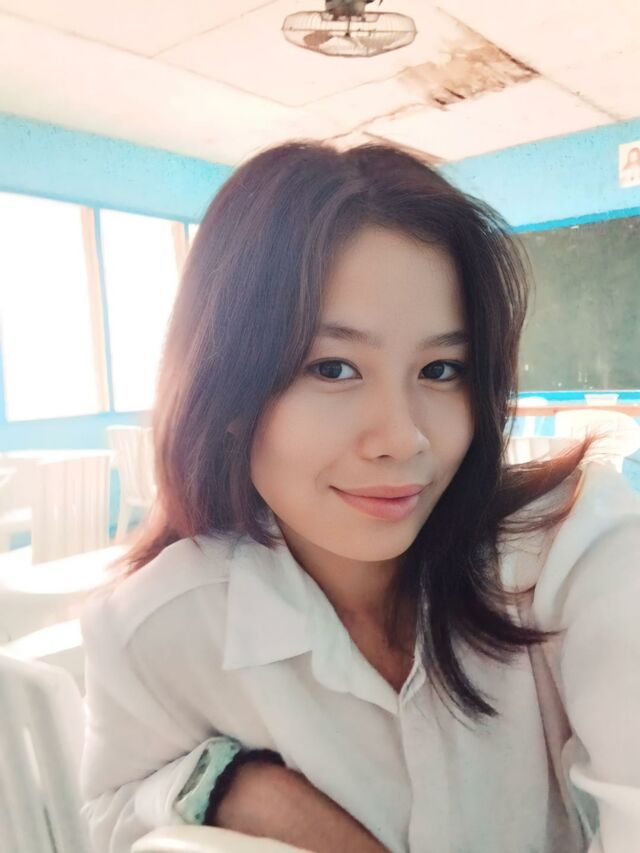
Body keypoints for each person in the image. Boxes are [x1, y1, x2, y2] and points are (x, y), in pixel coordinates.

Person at [80, 141, 640, 853]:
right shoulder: (155, 629)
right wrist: (228, 785)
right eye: (333, 368)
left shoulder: (574, 549)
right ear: (226, 389)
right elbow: (105, 815)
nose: (403, 438)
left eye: (442, 369)